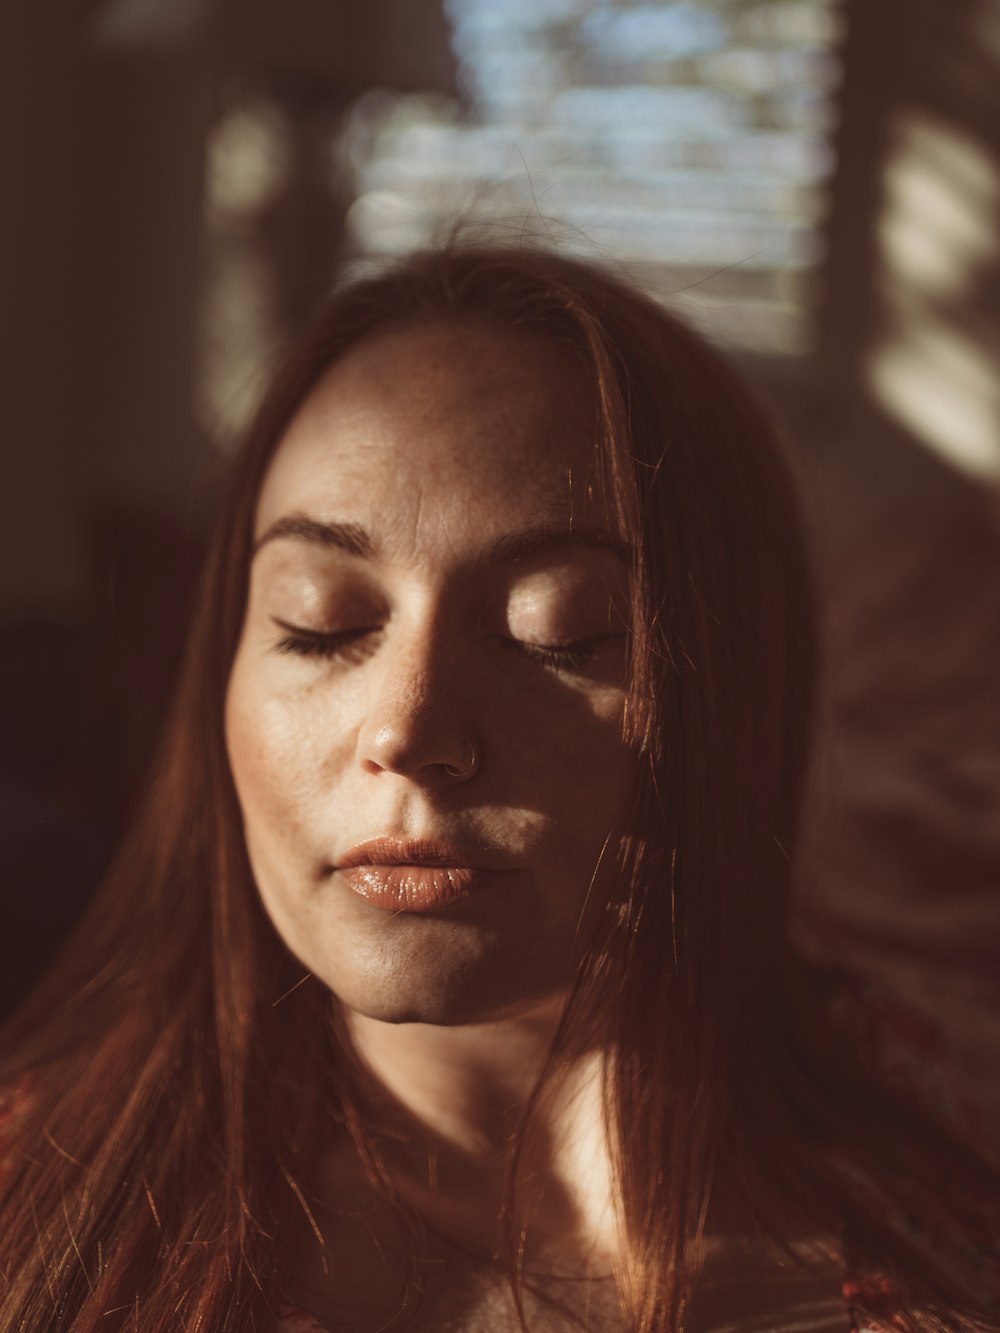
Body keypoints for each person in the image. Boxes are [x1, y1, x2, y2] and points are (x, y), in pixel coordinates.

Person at [0, 242, 996, 1332]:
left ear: (735, 699)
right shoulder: (39, 1215)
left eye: (558, 632)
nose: (408, 728)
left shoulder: (946, 1168)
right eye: (320, 623)